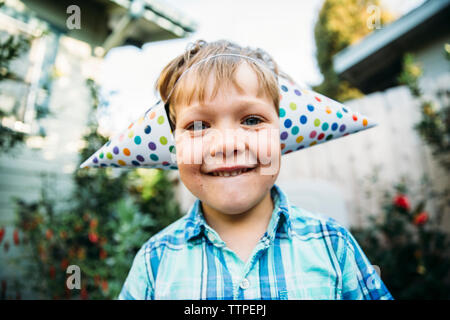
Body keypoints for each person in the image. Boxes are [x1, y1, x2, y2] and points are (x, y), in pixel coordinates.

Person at [118, 39, 393, 300]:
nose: (226, 144)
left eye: (251, 120)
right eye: (198, 126)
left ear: (280, 134)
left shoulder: (333, 244)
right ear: (175, 145)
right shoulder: (155, 261)